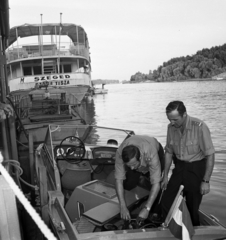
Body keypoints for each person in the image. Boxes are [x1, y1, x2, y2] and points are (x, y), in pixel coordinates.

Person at [161, 100, 215, 226]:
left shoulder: (200, 127)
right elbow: (168, 152)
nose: (172, 122)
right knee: (166, 201)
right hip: (179, 167)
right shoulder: (171, 128)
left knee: (192, 206)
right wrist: (165, 176)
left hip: (196, 168)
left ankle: (193, 232)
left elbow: (210, 155)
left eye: (175, 119)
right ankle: (171, 229)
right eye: (169, 119)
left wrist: (206, 181)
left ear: (184, 114)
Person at [115, 135, 164, 222]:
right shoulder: (120, 154)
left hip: (155, 150)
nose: (132, 169)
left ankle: (154, 213)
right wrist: (122, 206)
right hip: (137, 152)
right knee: (128, 183)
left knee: (156, 184)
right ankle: (130, 211)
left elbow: (156, 183)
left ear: (140, 158)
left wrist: (147, 208)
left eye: (134, 165)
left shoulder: (151, 152)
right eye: (129, 166)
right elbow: (119, 180)